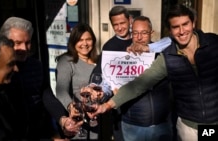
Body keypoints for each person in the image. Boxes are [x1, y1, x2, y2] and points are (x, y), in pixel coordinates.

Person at [90, 4, 218, 141]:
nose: (181, 31)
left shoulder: (213, 42)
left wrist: (149, 48)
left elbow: (164, 42)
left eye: (185, 24)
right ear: (170, 30)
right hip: (188, 128)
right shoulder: (168, 56)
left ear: (193, 23)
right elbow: (139, 84)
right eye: (175, 27)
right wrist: (106, 105)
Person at [0, 16, 79, 140]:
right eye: (17, 43)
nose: (24, 48)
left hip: (38, 132)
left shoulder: (36, 65)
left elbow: (45, 95)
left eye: (27, 43)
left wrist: (62, 119)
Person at [119, 15, 172, 141]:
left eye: (144, 33)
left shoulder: (163, 51)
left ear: (151, 33)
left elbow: (173, 40)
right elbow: (108, 82)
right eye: (135, 33)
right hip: (132, 126)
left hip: (162, 124)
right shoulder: (121, 55)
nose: (139, 37)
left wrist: (149, 48)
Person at [55, 23, 108, 140]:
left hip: (101, 118)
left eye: (88, 39)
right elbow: (61, 91)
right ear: (73, 42)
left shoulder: (100, 61)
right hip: (78, 121)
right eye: (80, 40)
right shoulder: (67, 61)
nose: (84, 43)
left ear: (93, 41)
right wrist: (71, 107)